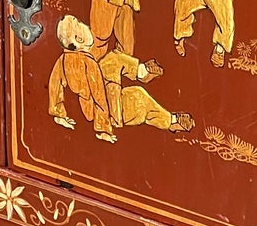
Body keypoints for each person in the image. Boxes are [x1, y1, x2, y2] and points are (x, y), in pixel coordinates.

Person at [47, 15, 193, 143]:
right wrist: (103, 129)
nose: (85, 25)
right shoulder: (89, 64)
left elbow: (55, 83)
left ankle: (141, 71)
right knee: (139, 96)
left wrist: (58, 114)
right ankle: (171, 121)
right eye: (79, 23)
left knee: (113, 59)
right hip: (108, 110)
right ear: (79, 39)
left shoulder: (64, 58)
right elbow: (99, 96)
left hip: (100, 100)